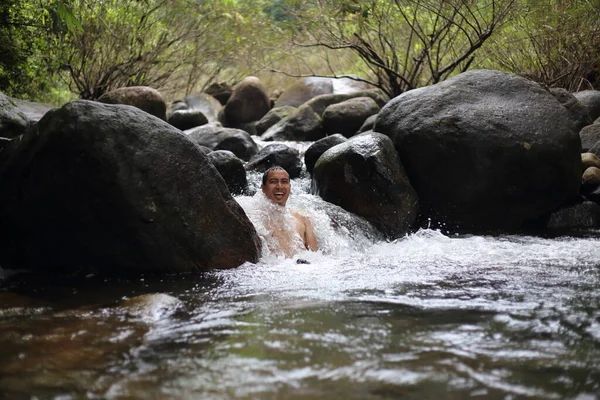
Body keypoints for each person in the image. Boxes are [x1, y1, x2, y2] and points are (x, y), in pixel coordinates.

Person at [260, 166, 318, 257]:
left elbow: (316, 258)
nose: (279, 186)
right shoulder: (256, 219)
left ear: (290, 187)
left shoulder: (304, 220)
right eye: (273, 182)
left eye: (284, 182)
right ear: (263, 188)